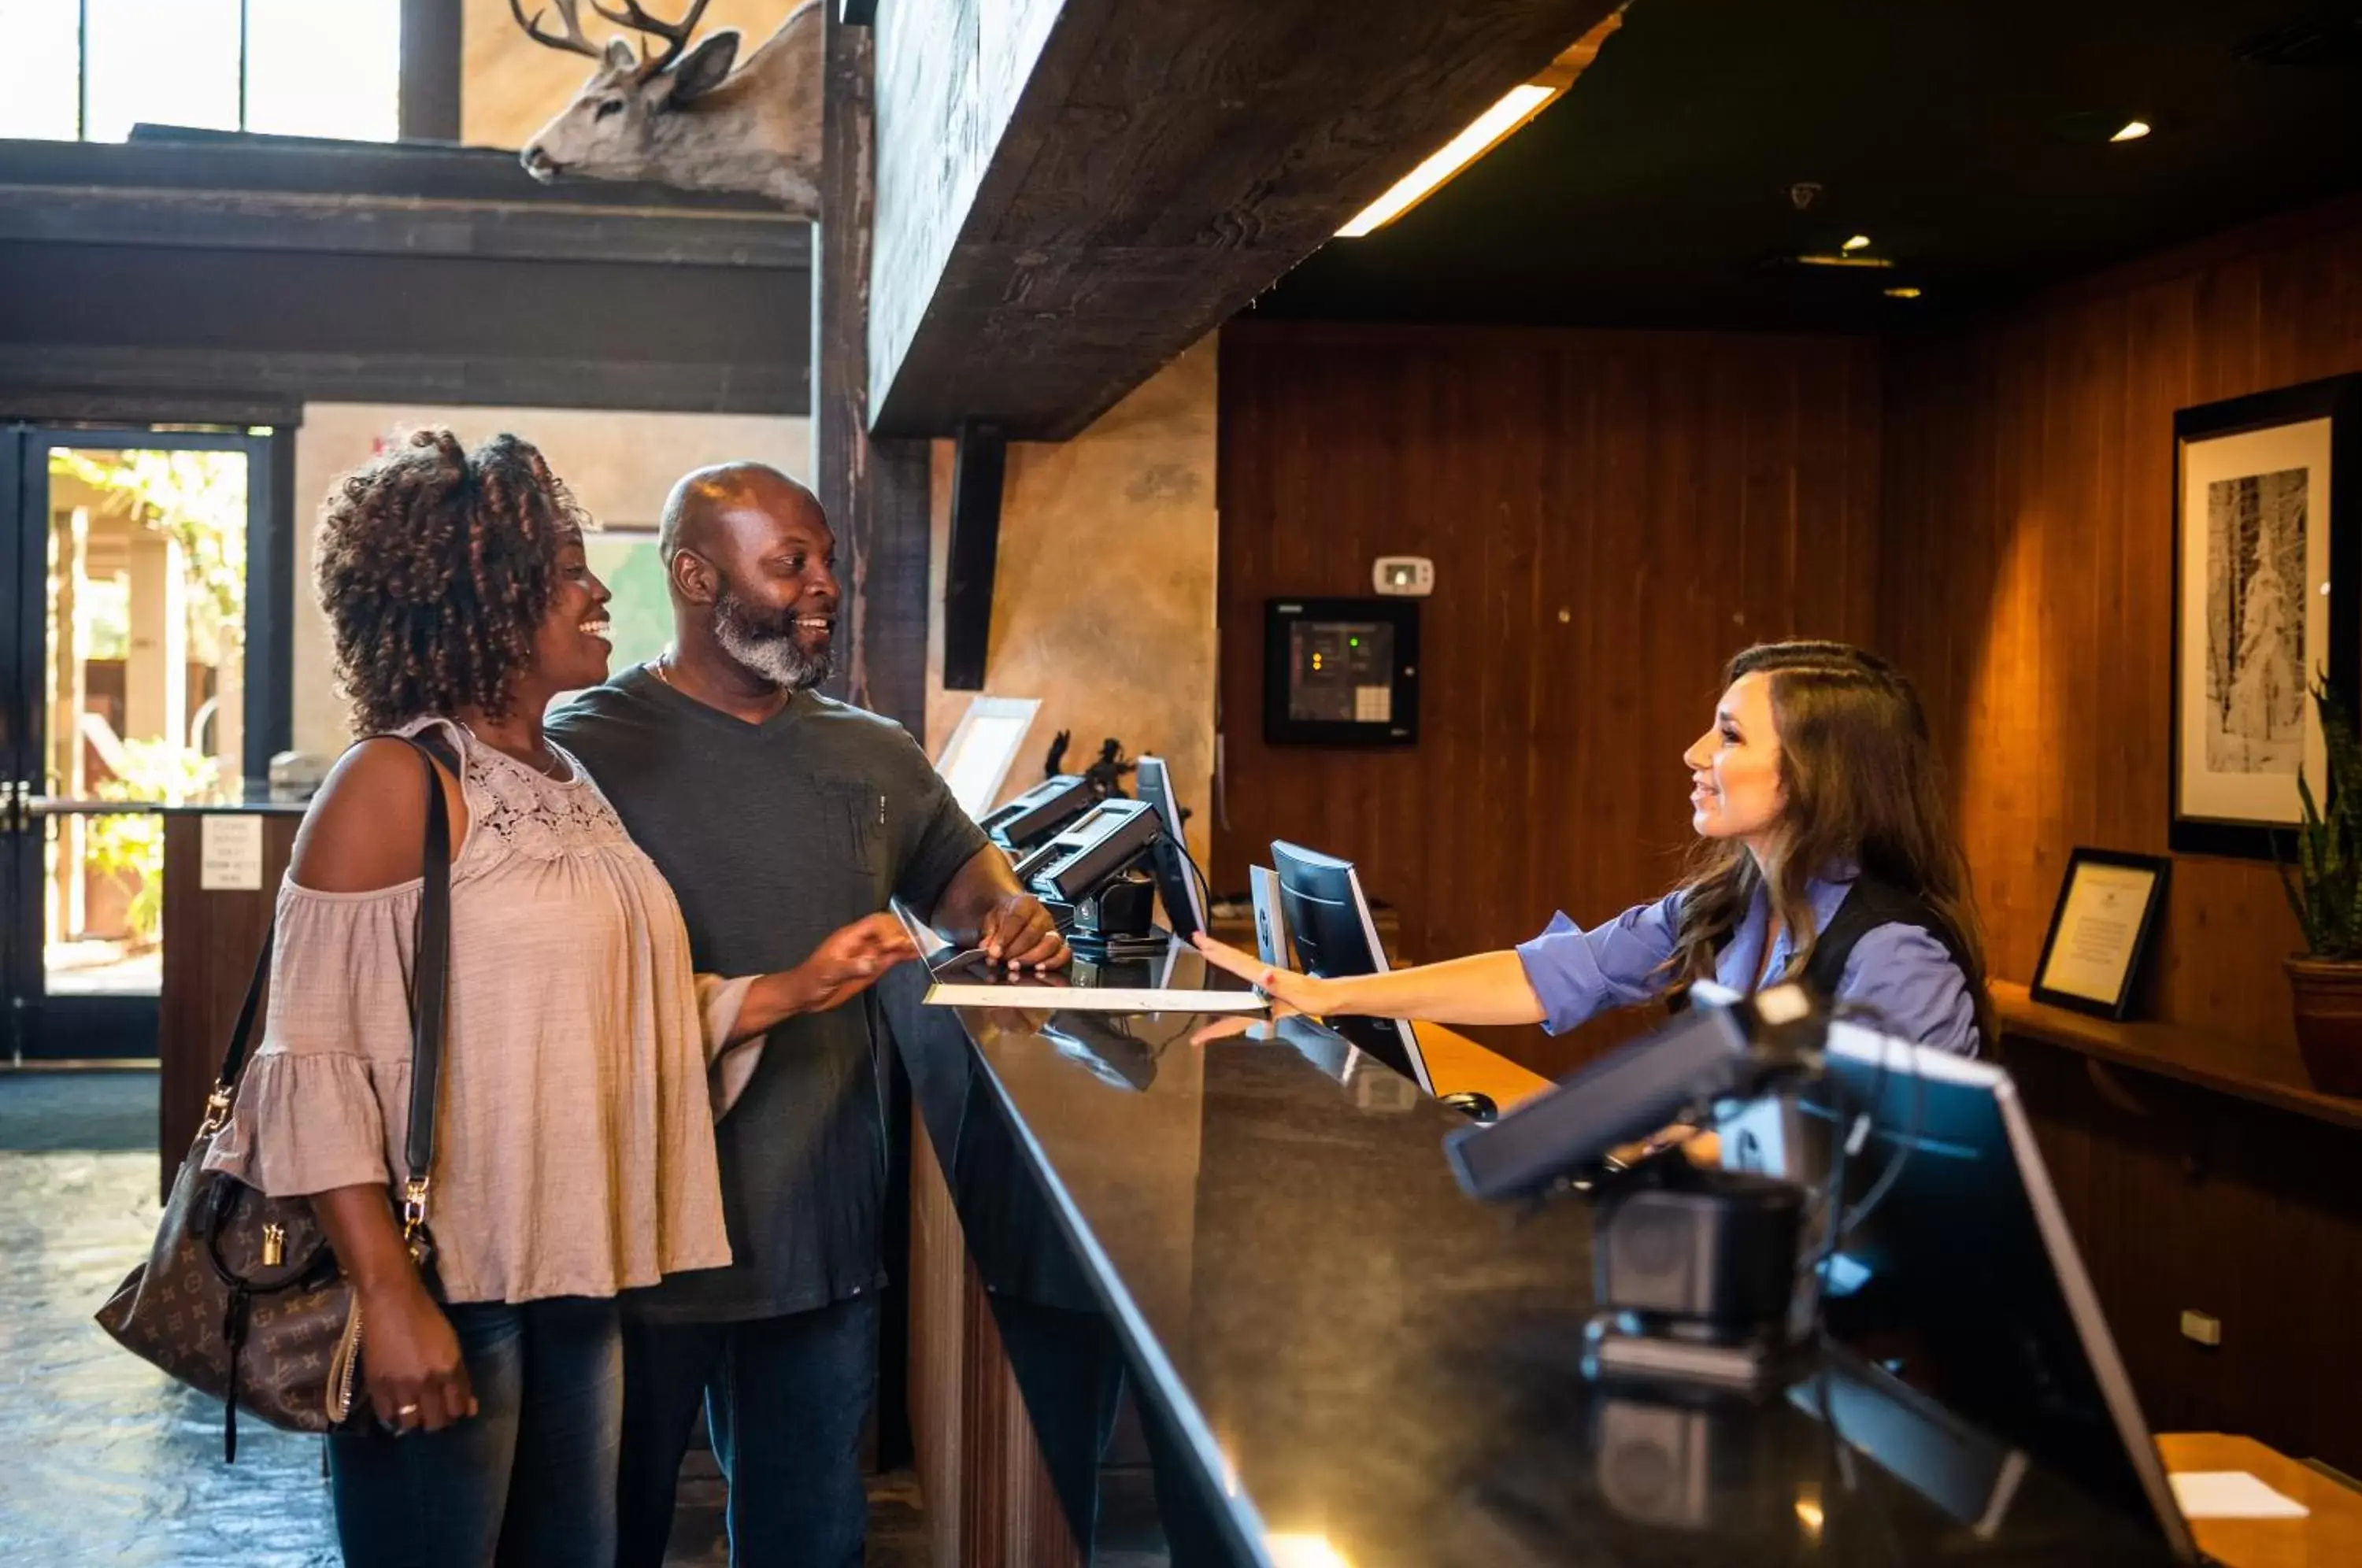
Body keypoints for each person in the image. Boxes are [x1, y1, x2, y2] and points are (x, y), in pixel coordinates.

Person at [203, 430, 916, 1568]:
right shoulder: (394, 782)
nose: (596, 591)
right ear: (479, 599)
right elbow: (311, 1069)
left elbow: (605, 1026)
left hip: (576, 1278)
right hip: (451, 1287)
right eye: (566, 572)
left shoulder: (564, 780)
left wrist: (794, 989)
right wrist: (389, 1297)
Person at [546, 462, 1068, 1568]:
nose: (824, 586)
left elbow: (973, 887)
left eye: (828, 559)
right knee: (598, 1539)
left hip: (821, 1237)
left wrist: (1017, 917)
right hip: (632, 1240)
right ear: (695, 574)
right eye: (792, 564)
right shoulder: (580, 750)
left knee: (809, 1542)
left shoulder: (873, 752)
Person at [1196, 641, 1991, 1055]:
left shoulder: (1896, 951)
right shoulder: (1728, 903)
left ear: (1821, 772)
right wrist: (1330, 993)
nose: (1692, 754)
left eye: (1727, 735)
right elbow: (1551, 975)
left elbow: (1889, 1173)